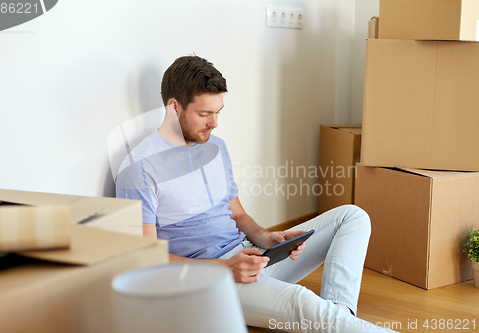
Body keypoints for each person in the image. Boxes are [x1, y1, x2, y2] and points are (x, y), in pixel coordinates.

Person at [116, 55, 397, 333]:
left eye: (218, 112)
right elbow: (147, 257)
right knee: (302, 301)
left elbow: (236, 213)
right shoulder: (139, 169)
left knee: (352, 216)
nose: (214, 123)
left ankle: (339, 315)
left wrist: (266, 237)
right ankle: (333, 322)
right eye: (204, 114)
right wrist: (225, 268)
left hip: (250, 257)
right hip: (212, 280)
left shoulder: (215, 147)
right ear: (174, 108)